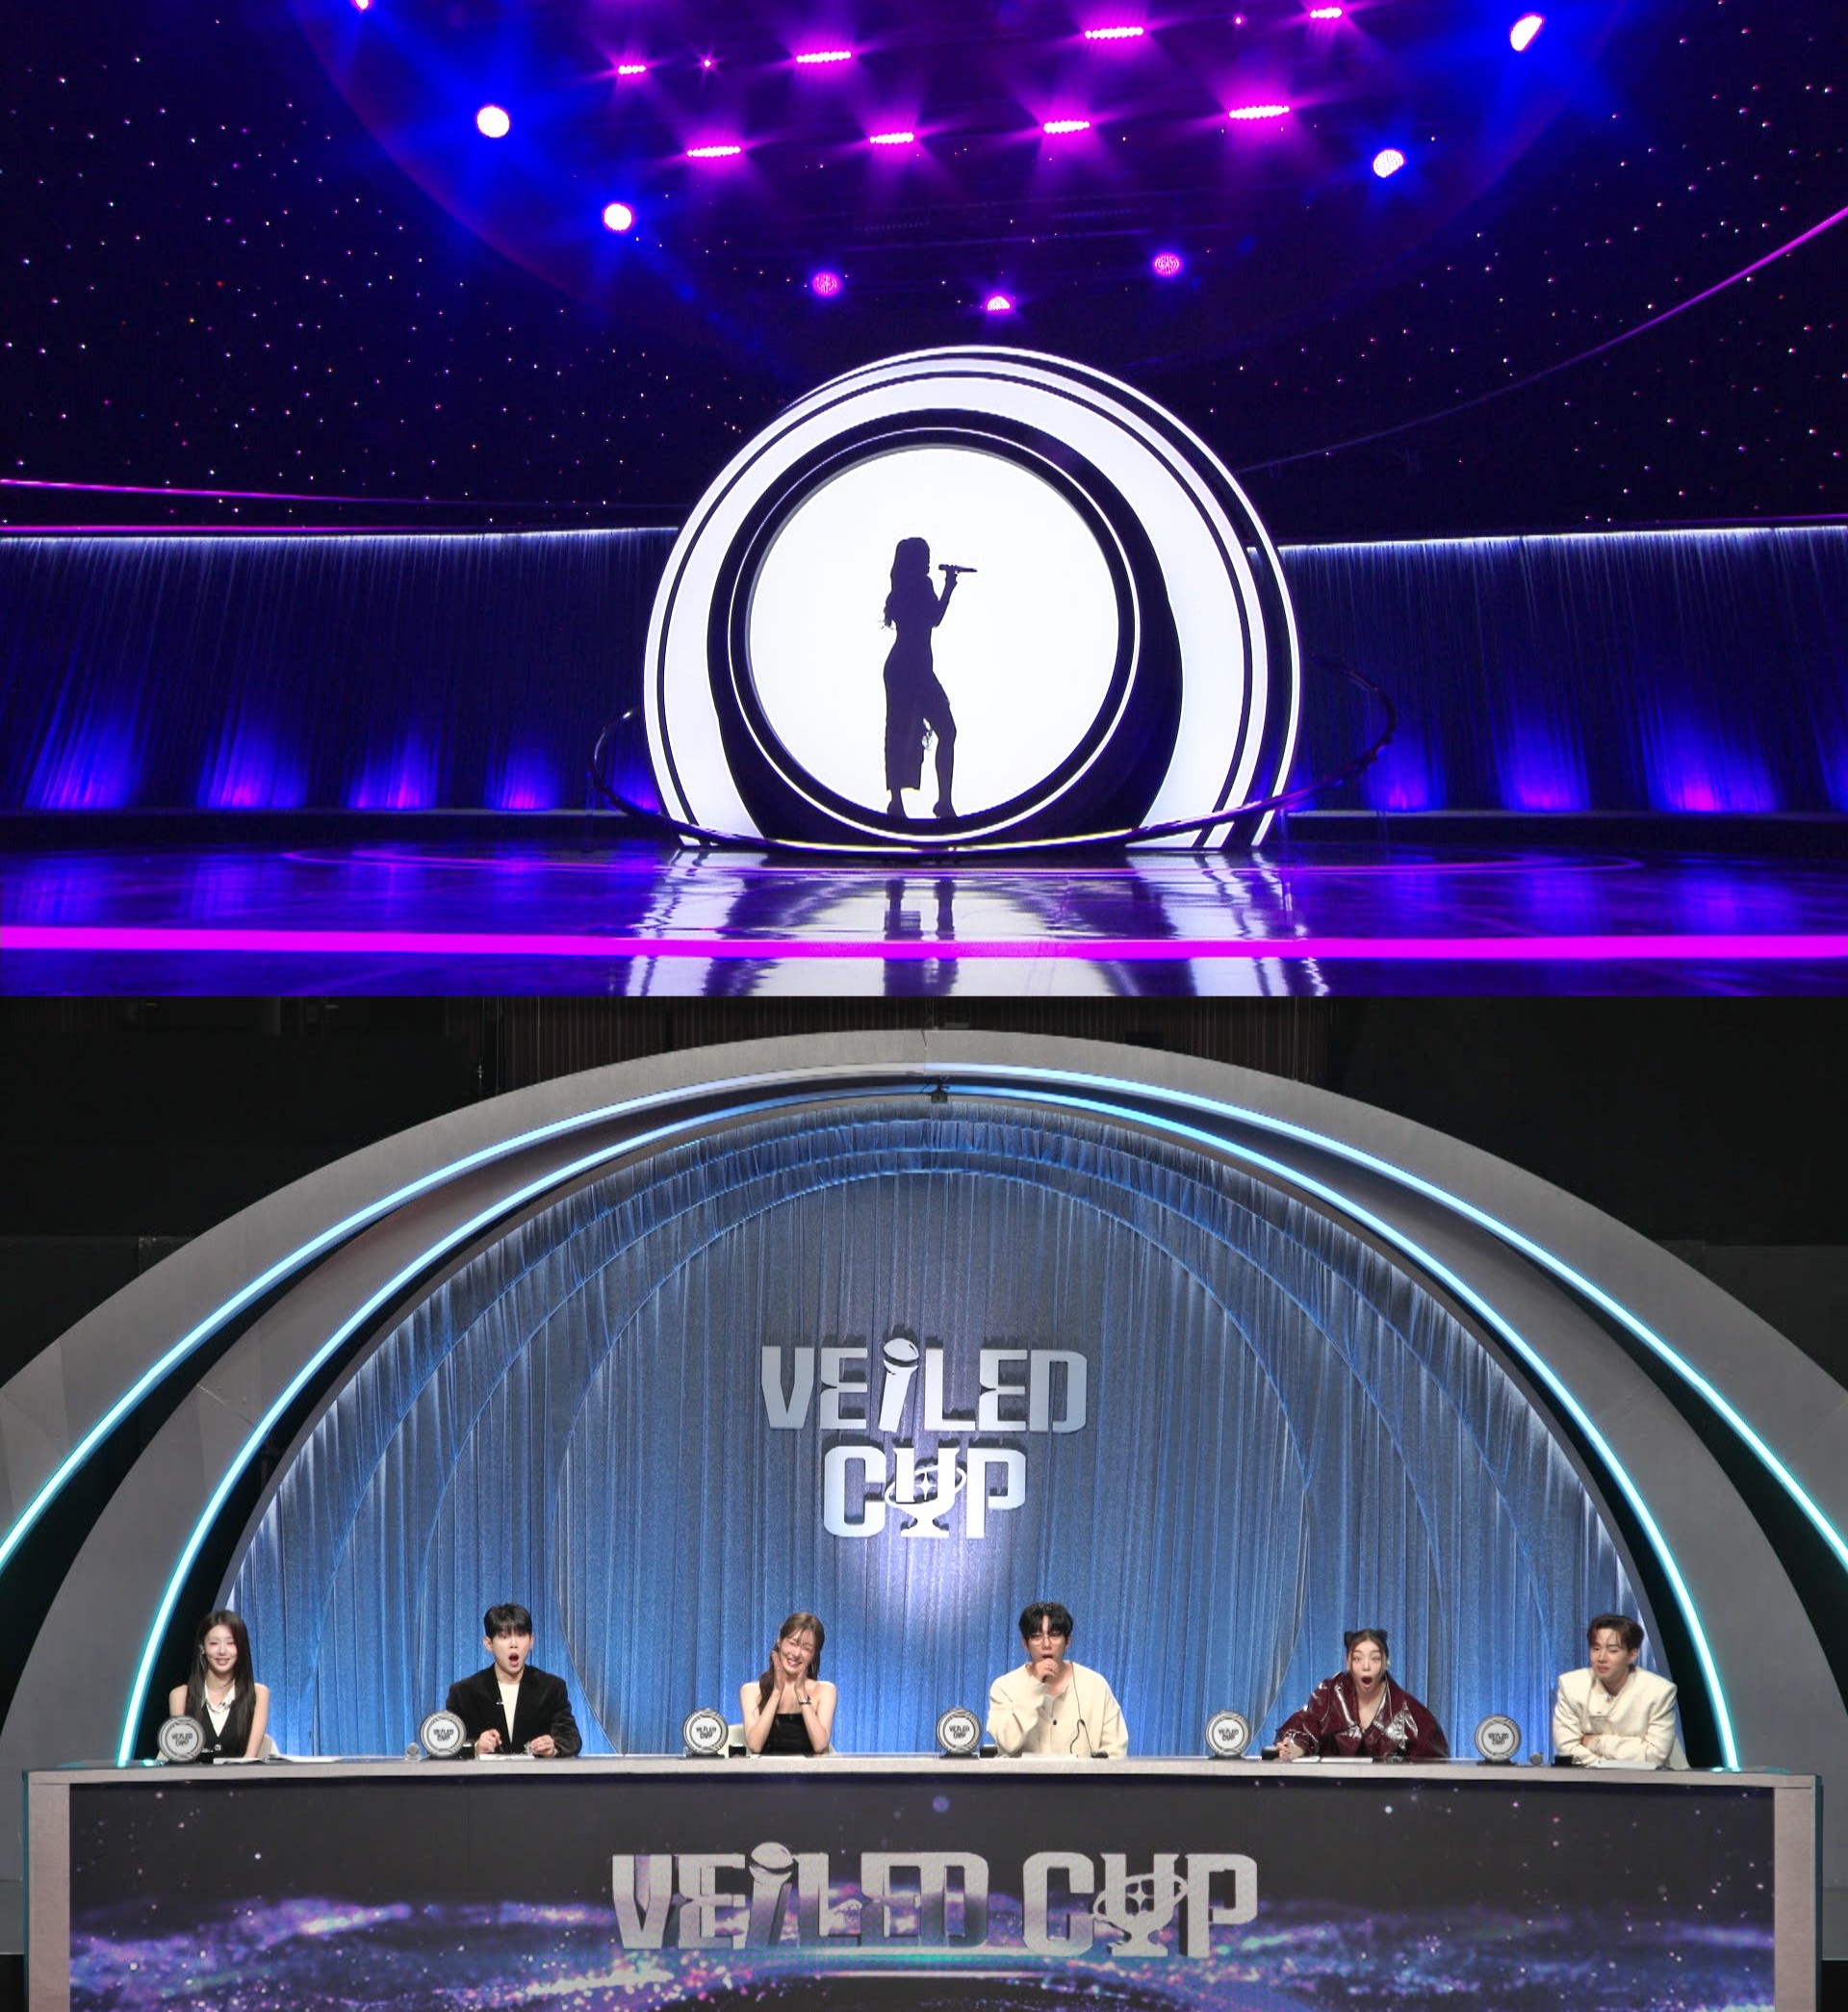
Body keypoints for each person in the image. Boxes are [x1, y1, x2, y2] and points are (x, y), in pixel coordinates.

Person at [1274, 1629, 1448, 1762]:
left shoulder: (1408, 1710)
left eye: (1375, 1658)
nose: (1366, 1666)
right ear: (1347, 1662)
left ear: (1386, 1663)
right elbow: (1305, 1729)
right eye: (1358, 1658)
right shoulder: (1328, 1694)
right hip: (1333, 1790)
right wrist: (1294, 1749)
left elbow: (1432, 1763)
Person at [881, 536, 961, 821]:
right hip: (913, 668)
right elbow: (934, 618)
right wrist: (949, 587)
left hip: (904, 666)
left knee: (898, 730)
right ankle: (941, 802)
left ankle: (898, 801)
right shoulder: (921, 585)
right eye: (925, 556)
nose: (929, 561)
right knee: (943, 730)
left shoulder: (901, 588)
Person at [988, 1600, 1128, 1757]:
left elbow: (1115, 1751)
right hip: (1023, 1774)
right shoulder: (1004, 1687)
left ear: (1068, 1641)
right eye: (1036, 1636)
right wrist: (1035, 1685)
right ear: (1025, 1644)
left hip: (1082, 1774)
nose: (1046, 1644)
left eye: (1054, 1635)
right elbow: (1008, 1742)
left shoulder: (1095, 1686)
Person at [444, 1602, 581, 1758]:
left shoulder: (551, 1688)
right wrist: (475, 1747)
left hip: (537, 1774)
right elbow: (444, 1745)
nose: (514, 1644)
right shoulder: (463, 1692)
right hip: (484, 1774)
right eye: (504, 1637)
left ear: (531, 1641)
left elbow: (571, 1738)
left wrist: (554, 1748)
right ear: (489, 1643)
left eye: (521, 1635)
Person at [1553, 1612, 1687, 1768]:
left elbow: (1654, 1757)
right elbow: (1567, 1749)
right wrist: (1606, 1765)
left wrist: (1595, 1742)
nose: (1601, 1658)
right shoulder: (1571, 1685)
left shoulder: (1659, 1691)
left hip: (1654, 1779)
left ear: (1632, 1655)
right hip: (1589, 1779)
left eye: (1613, 1650)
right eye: (1596, 1648)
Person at [168, 1609, 270, 1760]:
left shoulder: (258, 1694)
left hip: (242, 1774)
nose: (222, 1651)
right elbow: (182, 1757)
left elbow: (250, 1757)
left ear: (240, 1648)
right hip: (193, 1775)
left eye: (231, 1643)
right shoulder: (180, 1696)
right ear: (202, 1648)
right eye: (214, 1643)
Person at [740, 1612, 837, 1754]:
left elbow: (820, 1746)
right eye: (792, 1643)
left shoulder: (825, 1691)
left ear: (813, 1655)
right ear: (779, 1640)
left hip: (809, 1768)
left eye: (806, 1648)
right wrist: (776, 1692)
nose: (797, 1653)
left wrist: (801, 1693)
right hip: (767, 1768)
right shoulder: (750, 1691)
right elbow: (754, 1746)